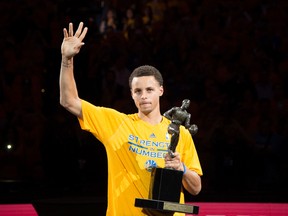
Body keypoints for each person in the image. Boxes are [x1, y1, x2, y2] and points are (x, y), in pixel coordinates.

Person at [59, 22, 202, 216]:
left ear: (161, 90)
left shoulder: (180, 133)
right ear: (132, 95)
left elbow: (195, 188)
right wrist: (67, 60)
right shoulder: (116, 123)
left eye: (149, 90)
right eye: (138, 91)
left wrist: (182, 168)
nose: (144, 96)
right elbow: (69, 101)